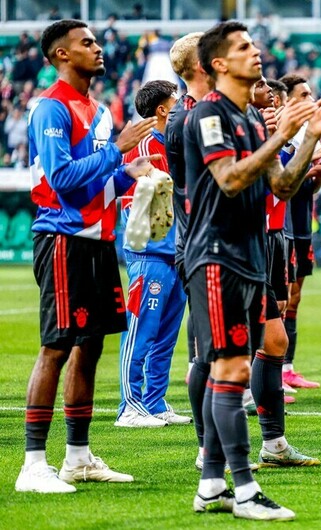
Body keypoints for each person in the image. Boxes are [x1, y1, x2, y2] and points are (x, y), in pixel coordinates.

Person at [184, 21, 321, 520]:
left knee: (238, 365)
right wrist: (283, 135)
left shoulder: (249, 118)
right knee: (229, 369)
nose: (257, 52)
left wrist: (309, 137)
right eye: (244, 47)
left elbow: (284, 186)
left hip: (250, 256)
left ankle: (212, 486)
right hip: (216, 255)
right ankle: (245, 490)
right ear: (219, 64)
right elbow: (229, 179)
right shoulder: (209, 114)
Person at [16, 19, 159, 493]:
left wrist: (128, 172)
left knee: (91, 345)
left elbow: (97, 177)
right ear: (61, 54)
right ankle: (33, 464)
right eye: (87, 42)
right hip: (63, 238)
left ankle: (77, 457)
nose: (98, 48)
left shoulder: (98, 110)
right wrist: (118, 151)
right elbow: (61, 178)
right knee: (56, 346)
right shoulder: (51, 107)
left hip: (99, 241)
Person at [251, 75, 320, 467]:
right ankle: (209, 452)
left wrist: (302, 144)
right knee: (225, 352)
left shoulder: (264, 130)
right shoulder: (227, 124)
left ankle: (274, 444)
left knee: (272, 338)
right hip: (239, 244)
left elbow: (282, 186)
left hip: (272, 238)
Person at [116, 80, 192, 428]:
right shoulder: (145, 144)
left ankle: (154, 401)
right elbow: (131, 202)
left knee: (165, 336)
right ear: (162, 109)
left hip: (175, 253)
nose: (182, 105)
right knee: (141, 331)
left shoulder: (173, 143)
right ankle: (129, 406)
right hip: (150, 254)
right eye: (176, 101)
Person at [164, 31, 217, 467]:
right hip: (201, 244)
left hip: (222, 243)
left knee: (230, 349)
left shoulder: (206, 112)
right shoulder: (185, 119)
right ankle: (206, 447)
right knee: (207, 351)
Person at [278, 73, 321, 390]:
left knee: (294, 297)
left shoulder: (307, 133)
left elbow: (303, 188)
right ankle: (273, 370)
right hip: (281, 226)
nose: (311, 100)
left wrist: (318, 175)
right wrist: (307, 162)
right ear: (287, 100)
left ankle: (287, 367)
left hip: (300, 224)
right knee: (281, 298)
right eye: (304, 95)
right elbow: (280, 181)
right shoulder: (284, 134)